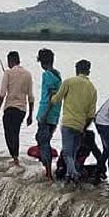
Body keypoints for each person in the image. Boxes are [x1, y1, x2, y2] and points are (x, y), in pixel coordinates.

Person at [50, 60, 98, 183]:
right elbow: (91, 114)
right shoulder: (92, 89)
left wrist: (52, 95)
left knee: (67, 153)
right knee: (73, 153)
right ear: (88, 71)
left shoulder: (69, 82)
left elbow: (56, 100)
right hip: (80, 125)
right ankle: (68, 175)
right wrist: (84, 127)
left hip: (68, 123)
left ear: (76, 70)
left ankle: (74, 174)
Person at [0, 51, 34, 166]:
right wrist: (30, 114)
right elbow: (30, 96)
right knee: (15, 132)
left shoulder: (8, 73)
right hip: (21, 110)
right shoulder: (28, 74)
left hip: (9, 107)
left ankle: (14, 156)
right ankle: (15, 158)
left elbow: (2, 94)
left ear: (11, 61)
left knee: (8, 133)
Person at [34, 48, 62, 179]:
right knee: (43, 140)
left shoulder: (47, 75)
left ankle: (49, 173)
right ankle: (47, 168)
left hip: (46, 113)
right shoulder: (57, 74)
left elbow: (51, 95)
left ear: (42, 62)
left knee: (43, 143)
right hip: (55, 115)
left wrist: (44, 114)